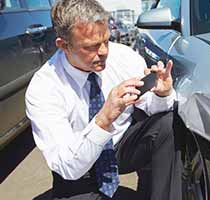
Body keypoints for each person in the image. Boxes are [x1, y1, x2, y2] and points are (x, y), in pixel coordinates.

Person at [25, 0, 182, 199]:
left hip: (120, 147)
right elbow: (67, 166)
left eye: (106, 41)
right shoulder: (44, 87)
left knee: (168, 123)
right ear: (64, 45)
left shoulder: (123, 57)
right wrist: (103, 119)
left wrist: (162, 94)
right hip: (80, 165)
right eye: (90, 47)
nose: (103, 52)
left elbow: (151, 107)